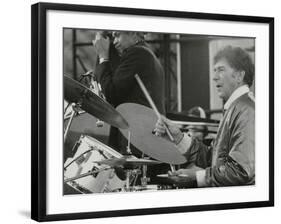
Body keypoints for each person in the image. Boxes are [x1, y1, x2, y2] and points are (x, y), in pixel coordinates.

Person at [155, 45, 255, 187]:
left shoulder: (246, 110)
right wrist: (178, 137)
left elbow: (241, 172)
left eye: (221, 70)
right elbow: (212, 158)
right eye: (214, 71)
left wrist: (197, 176)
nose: (214, 77)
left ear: (239, 75)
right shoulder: (235, 108)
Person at [93, 31, 165, 155]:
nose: (114, 41)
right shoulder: (146, 53)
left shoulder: (137, 53)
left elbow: (111, 92)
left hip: (138, 136)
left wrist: (103, 57)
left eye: (117, 35)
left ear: (133, 33)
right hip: (146, 134)